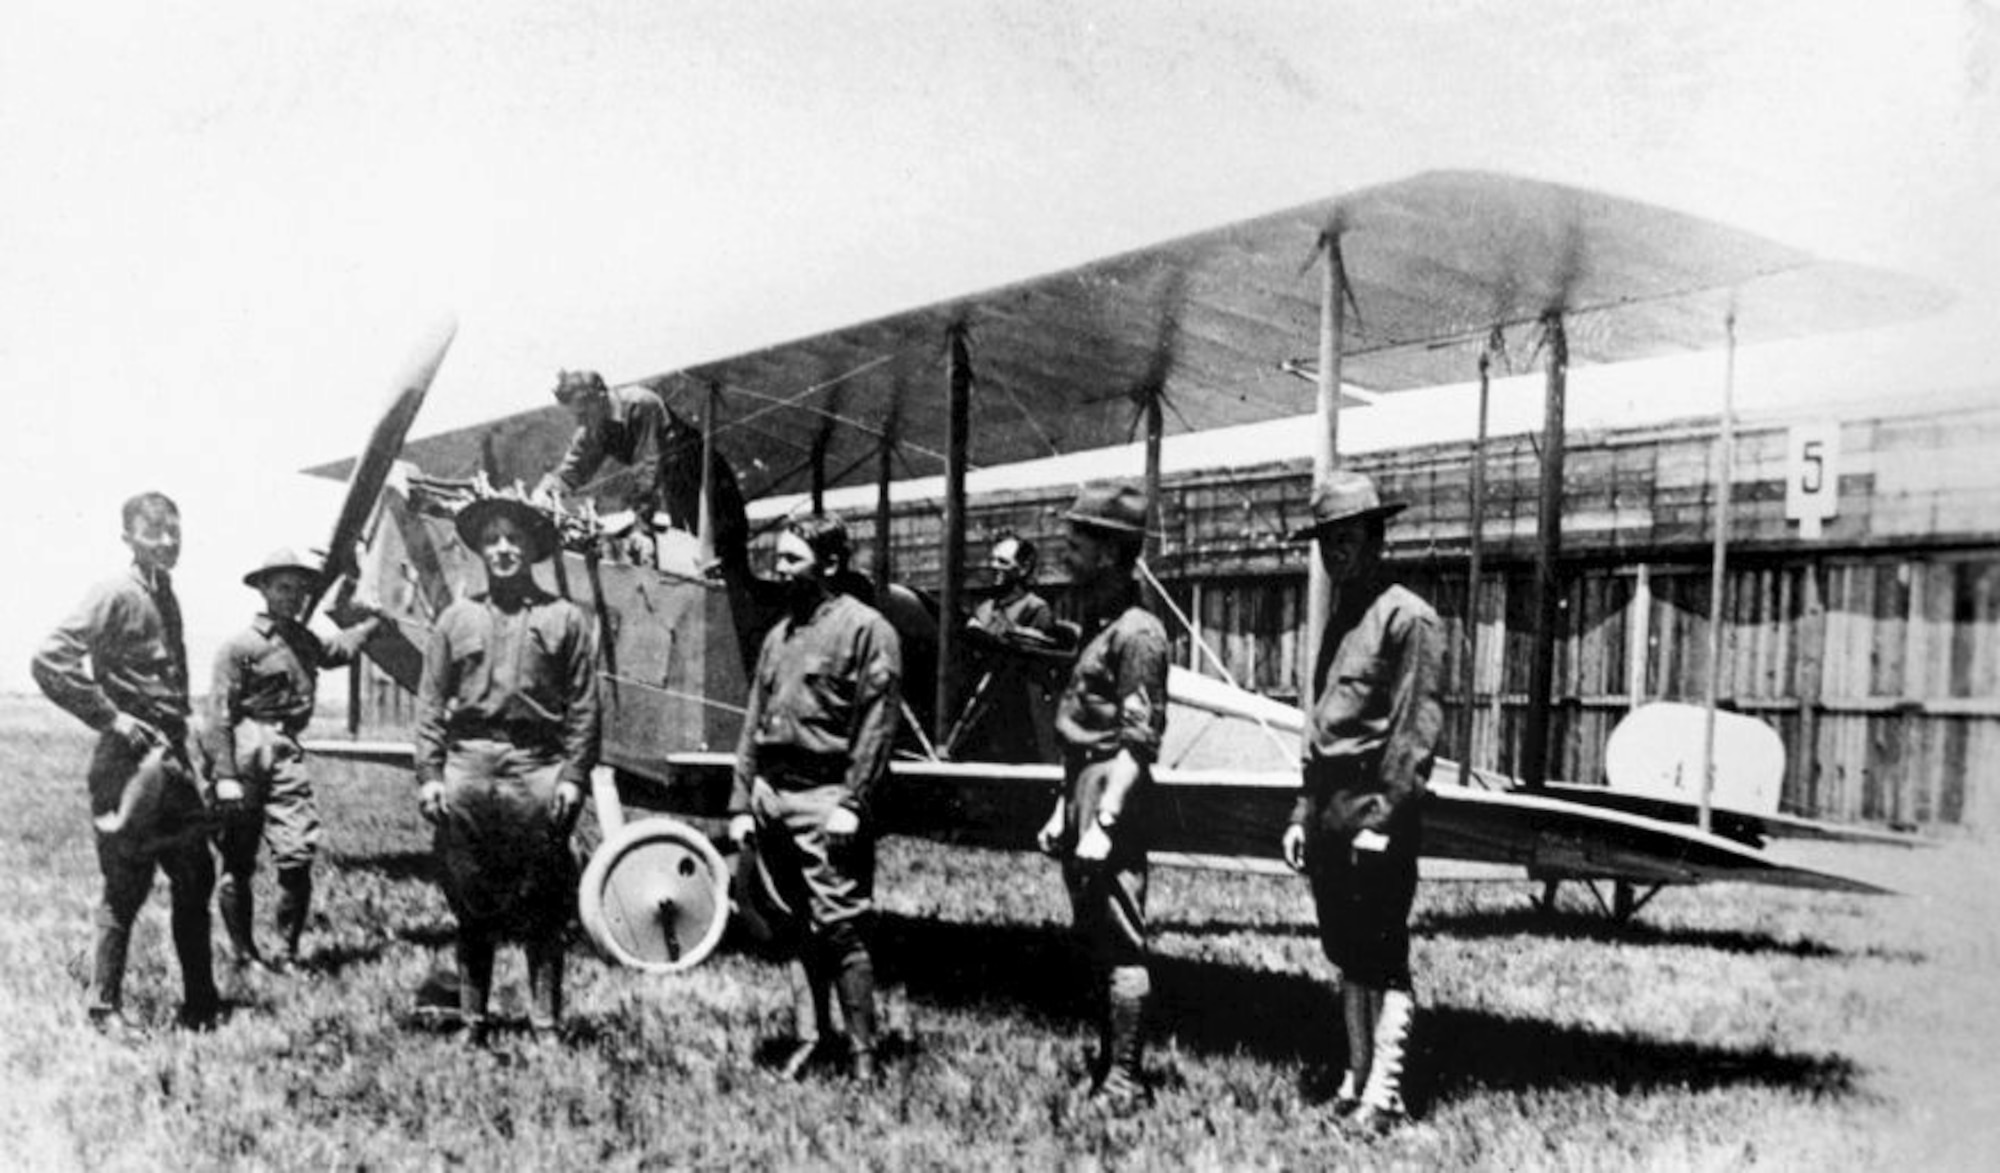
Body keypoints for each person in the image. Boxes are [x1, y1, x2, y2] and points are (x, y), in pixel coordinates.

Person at [1278, 470, 1444, 1134]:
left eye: (1346, 539)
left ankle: (1388, 1092)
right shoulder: (1343, 617)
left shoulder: (1409, 617)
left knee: (1383, 952)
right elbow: (1323, 725)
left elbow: (1413, 732)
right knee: (1347, 951)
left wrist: (1383, 820)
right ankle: (1355, 1079)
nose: (1334, 553)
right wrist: (1301, 809)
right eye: (1325, 542)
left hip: (1375, 812)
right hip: (1329, 811)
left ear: (1376, 539)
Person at [31, 491, 220, 1035]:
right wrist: (110, 718)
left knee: (195, 877)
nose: (167, 540)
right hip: (129, 764)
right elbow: (49, 659)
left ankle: (202, 1004)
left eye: (174, 530)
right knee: (126, 883)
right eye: (154, 531)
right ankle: (103, 1008)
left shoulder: (167, 595)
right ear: (128, 538)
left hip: (172, 761)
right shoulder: (114, 593)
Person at [414, 497, 599, 1044]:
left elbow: (585, 707)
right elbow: (429, 704)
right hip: (468, 765)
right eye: (492, 539)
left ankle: (545, 1023)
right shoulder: (455, 618)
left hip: (538, 766)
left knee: (545, 901)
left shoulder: (564, 619)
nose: (502, 549)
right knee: (471, 901)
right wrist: (429, 773)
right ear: (480, 549)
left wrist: (571, 777)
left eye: (513, 539)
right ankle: (474, 1020)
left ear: (532, 548)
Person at [727, 515, 902, 1081]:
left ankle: (862, 1057)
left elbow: (876, 727)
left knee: (842, 926)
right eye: (776, 558)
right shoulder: (778, 636)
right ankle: (810, 1038)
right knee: (796, 924)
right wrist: (740, 801)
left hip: (829, 798)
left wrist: (853, 803)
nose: (778, 570)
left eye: (791, 560)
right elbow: (754, 720)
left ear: (829, 564)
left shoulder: (868, 630)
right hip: (773, 797)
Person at [1034, 482, 1169, 1109]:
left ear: (1111, 554)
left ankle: (1124, 1081)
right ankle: (1109, 1066)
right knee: (1094, 937)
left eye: (1077, 543)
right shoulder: (1099, 623)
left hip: (1115, 792)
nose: (1066, 553)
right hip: (1084, 786)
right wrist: (1066, 810)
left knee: (1119, 941)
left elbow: (1136, 745)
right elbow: (1080, 735)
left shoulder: (1139, 634)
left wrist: (1105, 820)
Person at [207, 548, 389, 972]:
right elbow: (218, 714)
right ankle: (243, 954)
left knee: (297, 856)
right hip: (245, 750)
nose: (293, 597)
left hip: (287, 753)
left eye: (300, 590)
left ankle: (287, 954)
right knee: (237, 858)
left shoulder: (303, 640)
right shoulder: (240, 646)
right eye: (283, 588)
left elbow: (337, 651)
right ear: (265, 590)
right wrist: (225, 776)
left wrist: (374, 626)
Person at [532, 369, 678, 559]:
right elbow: (571, 473)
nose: (580, 422)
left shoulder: (641, 404)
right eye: (576, 416)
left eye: (583, 414)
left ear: (600, 398)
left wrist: (641, 530)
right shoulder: (594, 424)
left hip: (696, 476)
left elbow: (648, 469)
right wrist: (545, 492)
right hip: (660, 487)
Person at [961, 533, 1062, 763]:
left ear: (1024, 568)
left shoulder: (1036, 608)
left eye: (1003, 562)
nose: (994, 566)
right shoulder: (984, 609)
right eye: (993, 560)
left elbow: (1036, 667)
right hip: (982, 711)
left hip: (1020, 715)